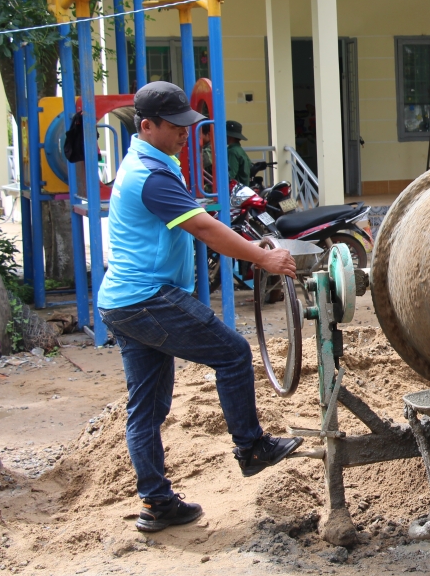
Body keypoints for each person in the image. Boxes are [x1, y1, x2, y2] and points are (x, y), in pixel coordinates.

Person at [97, 81, 303, 534]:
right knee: (232, 353)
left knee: (146, 410)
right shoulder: (148, 175)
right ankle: (251, 448)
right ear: (147, 126)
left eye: (188, 126)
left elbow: (197, 218)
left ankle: (156, 504)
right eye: (176, 128)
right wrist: (263, 256)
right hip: (146, 299)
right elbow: (205, 230)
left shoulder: (151, 161)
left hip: (125, 302)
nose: (185, 135)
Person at [226, 120, 252, 185]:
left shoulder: (232, 151)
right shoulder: (239, 150)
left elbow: (231, 175)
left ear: (229, 136)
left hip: (236, 191)